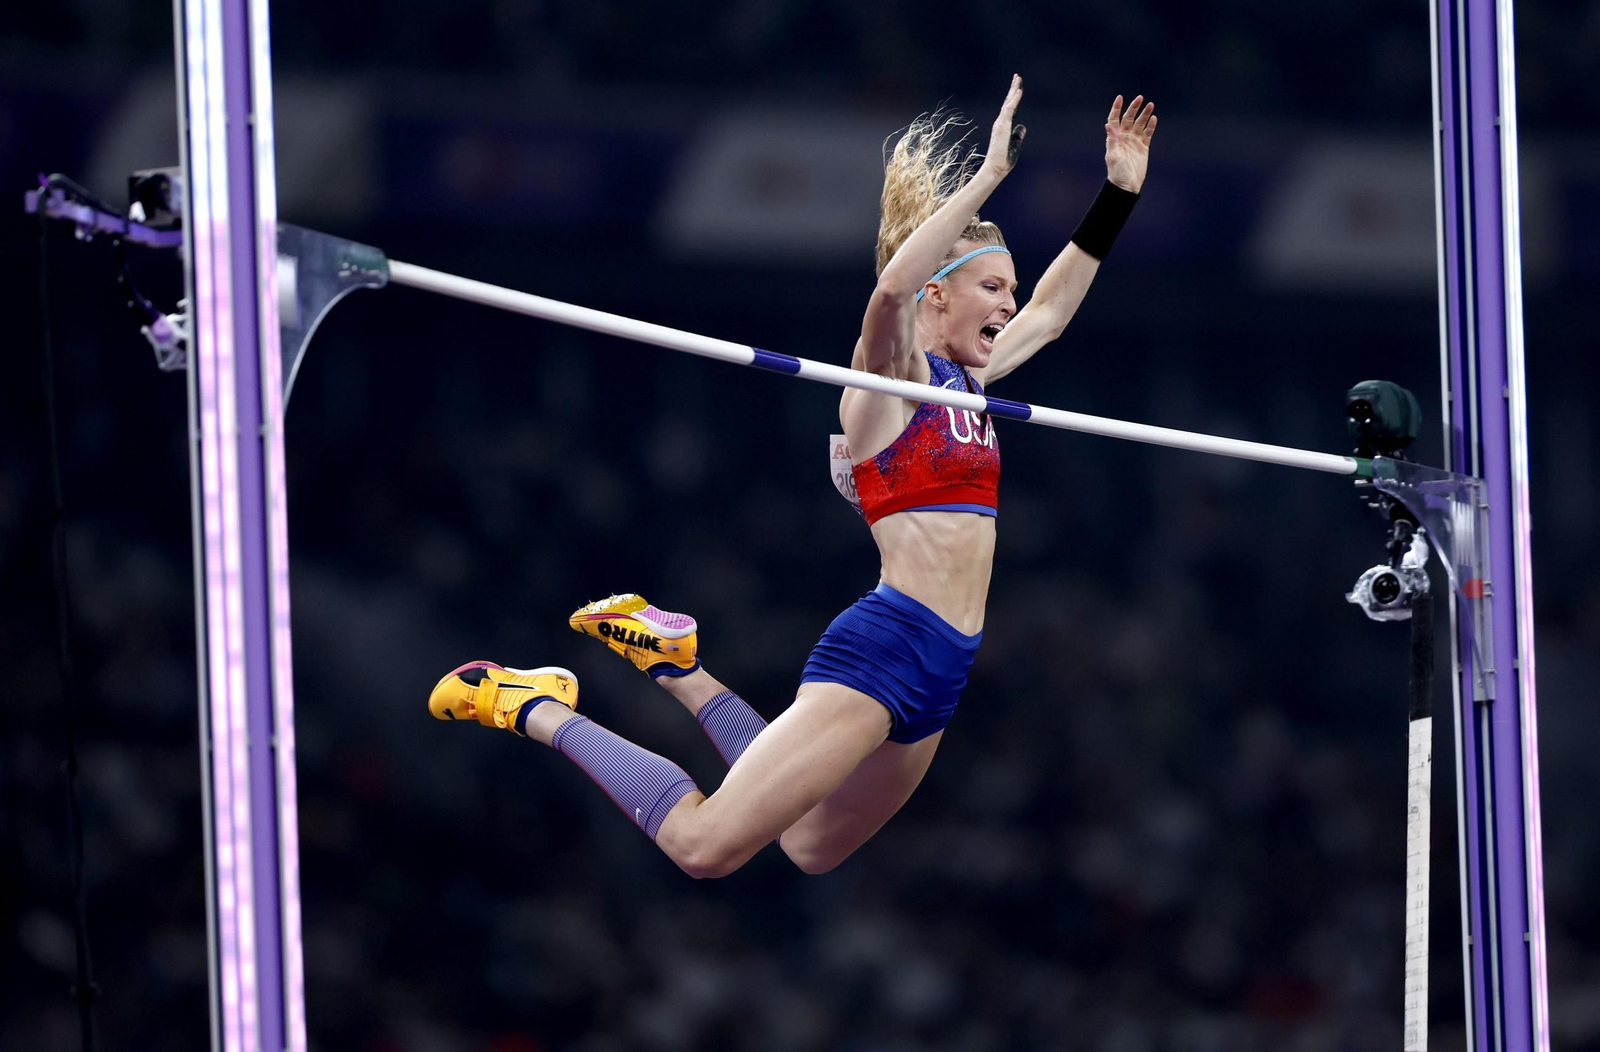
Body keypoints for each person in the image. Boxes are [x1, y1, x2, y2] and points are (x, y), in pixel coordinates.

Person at [427, 75, 1157, 878]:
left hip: (947, 661)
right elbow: (889, 290)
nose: (1010, 305)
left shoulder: (971, 386)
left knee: (808, 847)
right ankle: (529, 705)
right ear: (939, 296)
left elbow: (1052, 315)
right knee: (703, 848)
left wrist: (1116, 196)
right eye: (995, 287)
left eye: (1009, 291)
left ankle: (677, 666)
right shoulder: (883, 388)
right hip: (888, 648)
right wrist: (986, 179)